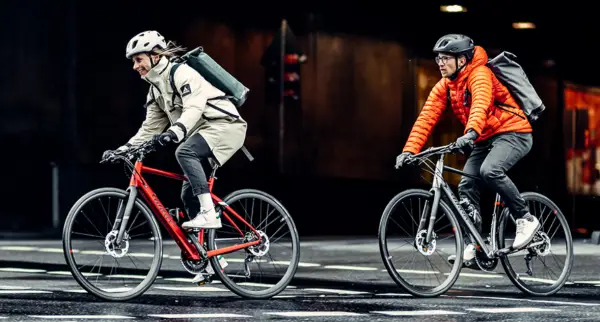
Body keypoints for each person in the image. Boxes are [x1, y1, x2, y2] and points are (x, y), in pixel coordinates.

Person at [395, 34, 540, 268]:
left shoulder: (480, 74)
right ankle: (475, 245)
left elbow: (481, 103)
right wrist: (409, 150)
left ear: (462, 60)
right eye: (438, 59)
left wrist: (471, 132)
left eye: (445, 58)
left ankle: (526, 218)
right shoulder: (447, 85)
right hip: (483, 137)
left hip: (514, 132)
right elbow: (427, 116)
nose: (440, 63)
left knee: (490, 170)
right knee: (466, 185)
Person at [103, 30, 247, 230]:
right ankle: (208, 256)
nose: (135, 66)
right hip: (201, 133)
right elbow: (149, 128)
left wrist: (175, 132)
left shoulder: (182, 73)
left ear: (155, 56)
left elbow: (194, 107)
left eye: (138, 59)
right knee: (188, 195)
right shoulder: (155, 89)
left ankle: (209, 214)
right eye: (133, 61)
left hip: (224, 125)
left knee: (185, 151)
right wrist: (123, 149)